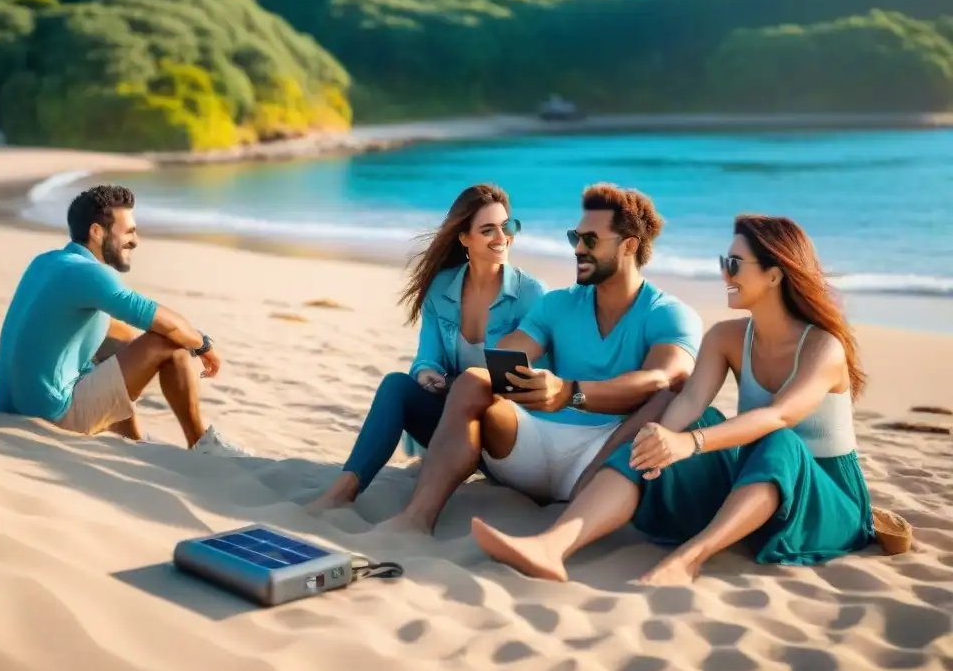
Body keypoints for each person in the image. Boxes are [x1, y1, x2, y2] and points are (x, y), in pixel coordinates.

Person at [471, 214, 877, 585]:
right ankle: (553, 545)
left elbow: (778, 416)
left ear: (774, 276)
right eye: (724, 261)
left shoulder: (823, 347)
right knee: (672, 420)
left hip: (827, 500)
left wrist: (690, 443)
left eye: (735, 264)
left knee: (775, 441)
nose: (724, 273)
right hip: (753, 483)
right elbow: (689, 403)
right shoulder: (726, 337)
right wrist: (659, 437)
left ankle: (688, 559)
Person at [377, 183, 705, 535]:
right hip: (531, 445)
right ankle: (416, 519)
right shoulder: (557, 304)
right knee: (474, 380)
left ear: (629, 246)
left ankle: (579, 506)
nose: (578, 249)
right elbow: (504, 358)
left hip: (603, 456)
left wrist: (570, 392)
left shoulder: (669, 314)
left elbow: (662, 378)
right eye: (574, 238)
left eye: (590, 240)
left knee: (670, 396)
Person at [310, 184, 547, 511]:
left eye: (507, 227)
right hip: (455, 432)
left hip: (510, 437)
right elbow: (427, 356)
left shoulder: (531, 295)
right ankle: (342, 491)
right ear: (464, 238)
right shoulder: (441, 289)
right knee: (396, 384)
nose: (502, 238)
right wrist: (426, 376)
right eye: (488, 229)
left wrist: (463, 386)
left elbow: (526, 385)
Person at [0, 184, 248, 455]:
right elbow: (166, 323)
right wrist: (204, 345)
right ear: (96, 232)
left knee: (119, 343)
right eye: (129, 232)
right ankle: (203, 445)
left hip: (12, 407)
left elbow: (101, 329)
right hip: (51, 415)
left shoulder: (47, 262)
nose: (135, 241)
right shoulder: (90, 273)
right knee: (168, 341)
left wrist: (133, 353)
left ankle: (134, 440)